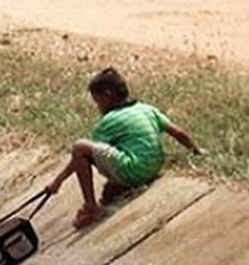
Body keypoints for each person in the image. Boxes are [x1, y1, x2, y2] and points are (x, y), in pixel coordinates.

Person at [46, 67, 201, 228]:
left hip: (134, 169)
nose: (97, 107)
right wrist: (196, 150)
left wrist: (58, 182)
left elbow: (81, 157)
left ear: (107, 95)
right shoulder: (145, 109)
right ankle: (117, 188)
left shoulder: (110, 120)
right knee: (106, 179)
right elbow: (178, 133)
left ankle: (91, 208)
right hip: (154, 167)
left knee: (79, 147)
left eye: (97, 101)